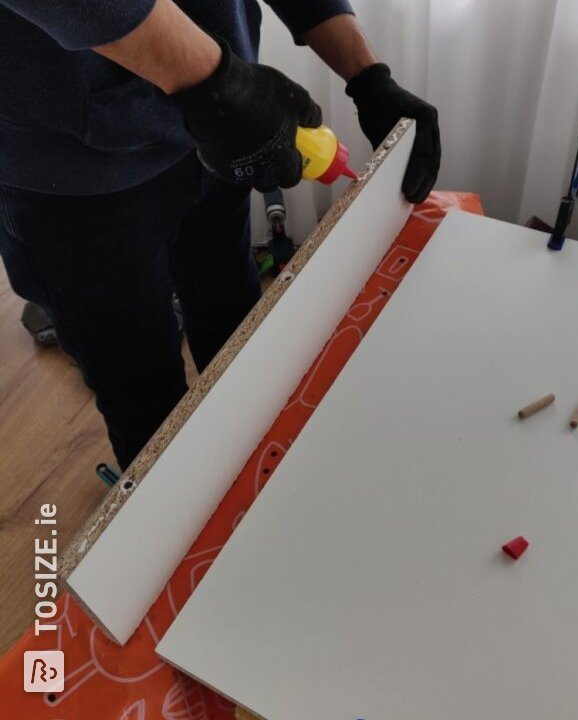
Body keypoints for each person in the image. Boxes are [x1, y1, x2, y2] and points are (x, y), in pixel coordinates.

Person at [0, 0, 441, 469]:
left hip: (222, 125)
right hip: (74, 174)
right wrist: (220, 85)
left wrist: (367, 75)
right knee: (144, 399)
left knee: (234, 324)